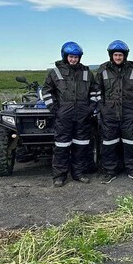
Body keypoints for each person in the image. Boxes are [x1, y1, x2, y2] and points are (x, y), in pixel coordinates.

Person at [43, 41, 97, 187]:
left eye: (76, 57)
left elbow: (95, 92)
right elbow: (47, 92)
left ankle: (78, 173)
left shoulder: (87, 73)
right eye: (71, 57)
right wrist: (55, 109)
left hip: (82, 115)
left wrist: (90, 108)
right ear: (65, 56)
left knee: (81, 146)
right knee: (61, 146)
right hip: (64, 115)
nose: (74, 59)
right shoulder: (55, 73)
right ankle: (59, 176)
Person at [96, 40, 133, 183]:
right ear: (111, 55)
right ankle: (110, 171)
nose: (118, 57)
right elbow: (97, 91)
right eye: (116, 55)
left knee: (131, 142)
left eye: (120, 55)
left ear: (125, 56)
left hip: (129, 111)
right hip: (109, 112)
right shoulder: (103, 70)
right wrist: (102, 108)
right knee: (109, 143)